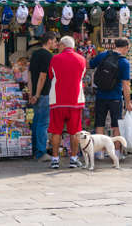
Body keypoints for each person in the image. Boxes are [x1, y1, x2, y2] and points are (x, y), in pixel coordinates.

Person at [88, 38, 132, 159]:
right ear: (125, 47)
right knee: (116, 125)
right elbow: (126, 85)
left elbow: (90, 64)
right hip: (115, 97)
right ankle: (116, 152)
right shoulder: (124, 62)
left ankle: (99, 152)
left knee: (99, 124)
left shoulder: (103, 55)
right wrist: (128, 102)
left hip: (100, 96)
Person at [47, 36, 86, 169]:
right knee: (74, 132)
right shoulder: (82, 59)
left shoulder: (55, 59)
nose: (58, 46)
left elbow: (51, 76)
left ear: (63, 45)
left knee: (56, 131)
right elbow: (81, 77)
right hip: (75, 100)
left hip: (57, 100)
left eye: (59, 45)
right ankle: (74, 159)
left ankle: (55, 159)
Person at [28, 31, 57, 162]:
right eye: (55, 41)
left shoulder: (34, 54)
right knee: (43, 124)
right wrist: (38, 94)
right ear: (49, 41)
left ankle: (35, 151)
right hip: (44, 94)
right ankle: (41, 152)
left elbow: (29, 75)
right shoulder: (47, 56)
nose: (56, 43)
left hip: (35, 93)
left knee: (36, 122)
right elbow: (42, 76)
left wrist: (31, 94)